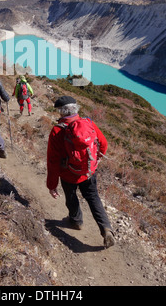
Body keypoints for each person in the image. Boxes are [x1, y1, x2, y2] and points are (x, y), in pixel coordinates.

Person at [46, 95, 115, 248]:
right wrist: (96, 160)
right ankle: (106, 228)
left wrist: (52, 185)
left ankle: (76, 221)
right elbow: (103, 144)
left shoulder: (57, 130)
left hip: (68, 173)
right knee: (93, 197)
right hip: (89, 171)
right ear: (75, 108)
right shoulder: (88, 123)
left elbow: (53, 161)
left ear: (61, 112)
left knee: (71, 196)